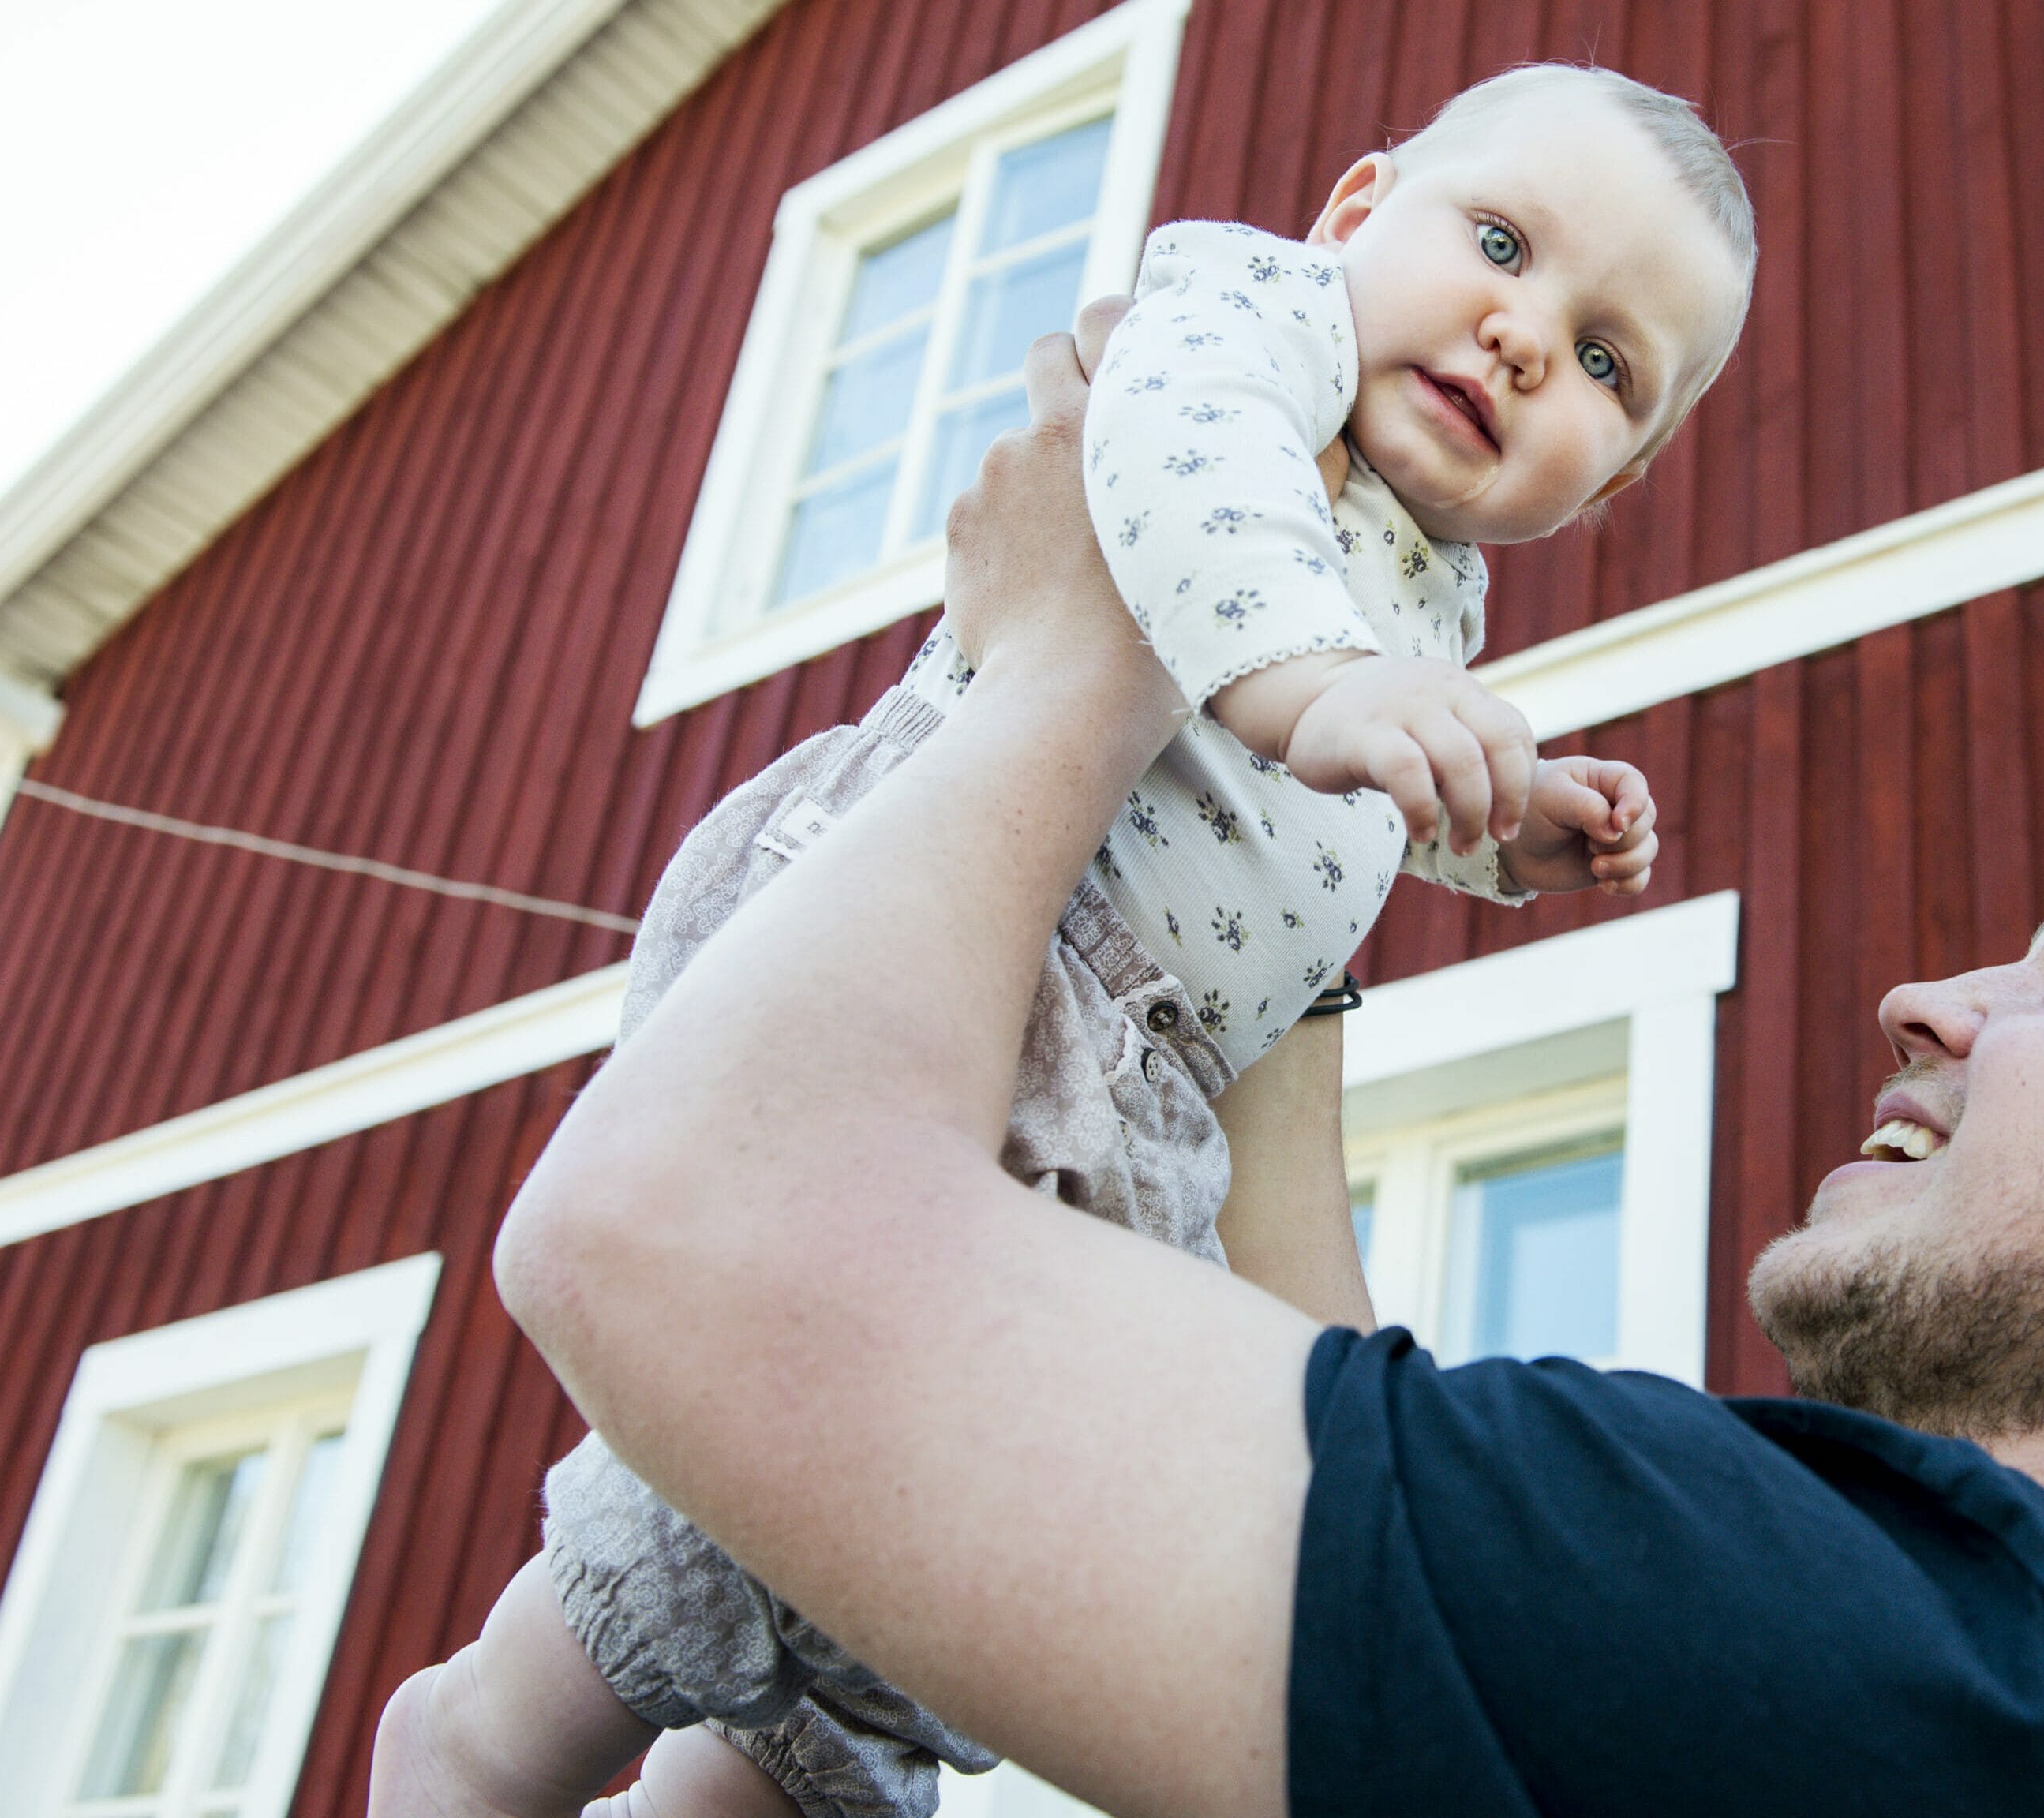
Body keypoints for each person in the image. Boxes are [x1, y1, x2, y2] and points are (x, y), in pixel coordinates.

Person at [487, 309, 2044, 1815]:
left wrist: (1080, 654)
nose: (1934, 1001)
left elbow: (684, 1233)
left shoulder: (1872, 1654)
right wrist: (1281, 898)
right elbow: (1333, 1465)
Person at [372, 63, 1758, 1818]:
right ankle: (495, 1736)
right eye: (1497, 243)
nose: (1521, 337)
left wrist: (1491, 819)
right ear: (1350, 216)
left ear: (1610, 484)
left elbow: (1315, 816)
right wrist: (1329, 687)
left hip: (1146, 1095)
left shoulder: (1424, 598)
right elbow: (1195, 501)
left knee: (935, 1511)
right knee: (793, 1370)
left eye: (1606, 362)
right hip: (972, 955)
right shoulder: (1250, 330)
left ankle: (750, 1785)